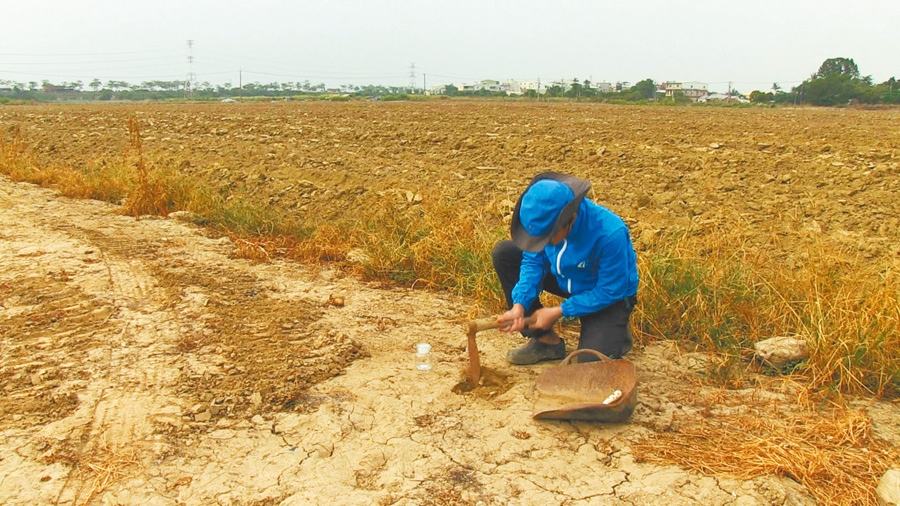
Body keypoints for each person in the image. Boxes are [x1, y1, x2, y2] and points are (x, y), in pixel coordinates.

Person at [494, 172, 639, 364]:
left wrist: (559, 311)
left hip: (606, 295)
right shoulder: (546, 224)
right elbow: (533, 262)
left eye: (548, 239)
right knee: (505, 253)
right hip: (567, 278)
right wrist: (519, 305)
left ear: (570, 218)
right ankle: (546, 342)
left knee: (588, 363)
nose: (544, 244)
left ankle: (614, 331)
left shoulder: (610, 234)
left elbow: (610, 290)